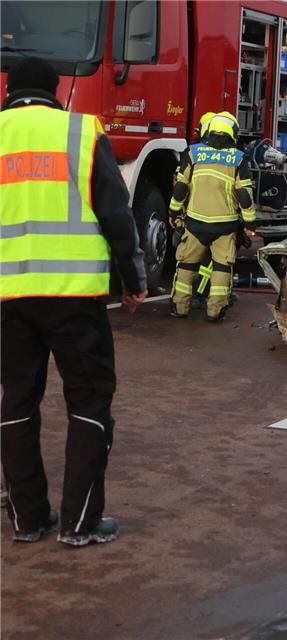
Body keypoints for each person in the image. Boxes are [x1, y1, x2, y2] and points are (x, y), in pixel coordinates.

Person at [0, 58, 147, 546]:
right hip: (74, 298)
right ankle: (79, 525)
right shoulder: (81, 132)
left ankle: (28, 520)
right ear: (55, 91)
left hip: (8, 300)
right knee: (88, 402)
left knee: (17, 403)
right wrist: (132, 279)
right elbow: (116, 214)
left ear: (10, 92)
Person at [168, 111, 255, 322]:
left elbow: (181, 187)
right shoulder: (238, 158)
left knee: (187, 265)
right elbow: (244, 194)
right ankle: (215, 311)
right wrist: (249, 222)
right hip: (225, 226)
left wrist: (173, 211)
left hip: (195, 223)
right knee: (221, 268)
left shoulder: (193, 152)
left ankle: (180, 307)